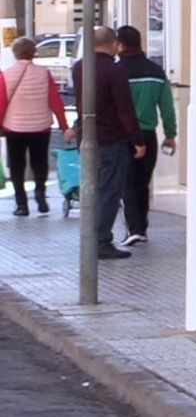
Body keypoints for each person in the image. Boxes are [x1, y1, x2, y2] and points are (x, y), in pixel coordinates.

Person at [69, 26, 145, 260]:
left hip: (88, 138)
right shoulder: (114, 70)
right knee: (110, 191)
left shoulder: (79, 67)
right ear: (113, 44)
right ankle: (101, 241)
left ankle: (91, 238)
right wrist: (137, 140)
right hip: (112, 138)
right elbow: (124, 109)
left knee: (94, 188)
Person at [114, 26, 176, 246]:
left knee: (127, 183)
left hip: (123, 135)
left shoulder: (117, 71)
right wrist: (170, 134)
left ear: (120, 44)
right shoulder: (156, 72)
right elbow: (167, 107)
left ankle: (134, 228)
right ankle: (142, 226)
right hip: (148, 135)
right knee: (142, 182)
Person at [0, 37, 71, 216]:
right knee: (39, 162)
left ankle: (22, 204)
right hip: (40, 127)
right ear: (34, 53)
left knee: (17, 165)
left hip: (14, 127)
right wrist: (64, 126)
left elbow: (1, 103)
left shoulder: (6, 74)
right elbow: (55, 102)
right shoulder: (43, 73)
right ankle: (40, 193)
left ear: (15, 53)